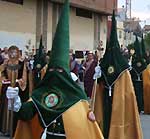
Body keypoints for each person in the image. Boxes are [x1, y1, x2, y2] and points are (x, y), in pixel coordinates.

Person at [6, 1, 104, 139]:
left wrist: (89, 115)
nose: (55, 74)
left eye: (60, 71)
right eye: (52, 70)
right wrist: (14, 101)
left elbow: (86, 125)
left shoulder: (77, 96)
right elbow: (25, 114)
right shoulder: (41, 94)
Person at [93, 10, 143, 139]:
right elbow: (98, 86)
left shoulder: (123, 69)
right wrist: (97, 76)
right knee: (105, 123)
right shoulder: (103, 66)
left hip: (118, 103)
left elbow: (128, 94)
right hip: (105, 100)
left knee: (117, 120)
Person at [0, 45, 28, 136]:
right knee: (6, 108)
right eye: (11, 52)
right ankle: (6, 128)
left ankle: (15, 128)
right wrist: (4, 79)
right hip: (7, 88)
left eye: (14, 52)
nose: (13, 54)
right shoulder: (6, 62)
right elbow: (2, 73)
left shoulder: (21, 63)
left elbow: (24, 76)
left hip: (17, 88)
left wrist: (20, 82)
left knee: (15, 108)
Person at [130, 36, 147, 113]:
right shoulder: (141, 62)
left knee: (138, 94)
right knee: (138, 94)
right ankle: (140, 107)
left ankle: (139, 107)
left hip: (138, 81)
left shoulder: (136, 61)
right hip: (138, 81)